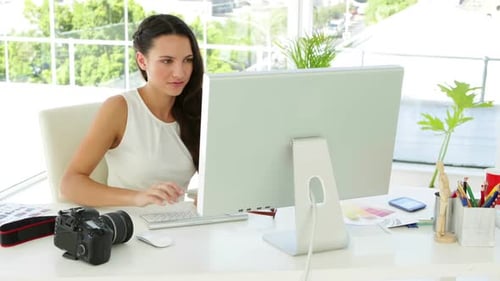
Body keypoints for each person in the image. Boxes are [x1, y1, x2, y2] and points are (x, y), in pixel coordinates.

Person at [60, 14, 204, 207]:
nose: (180, 72)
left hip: (178, 226)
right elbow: (70, 183)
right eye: (167, 61)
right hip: (130, 226)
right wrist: (137, 197)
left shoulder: (196, 108)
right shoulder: (119, 108)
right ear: (142, 61)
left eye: (187, 60)